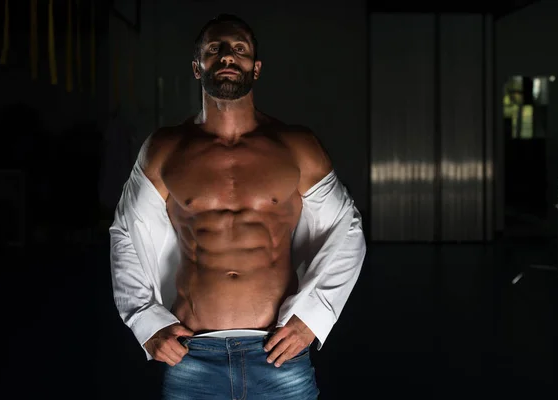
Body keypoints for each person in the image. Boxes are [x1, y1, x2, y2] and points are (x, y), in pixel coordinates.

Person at [109, 13, 366, 400]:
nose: (228, 57)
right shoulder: (165, 148)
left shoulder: (296, 145)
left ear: (255, 68)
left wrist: (313, 320)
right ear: (197, 67)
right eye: (215, 50)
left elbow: (347, 230)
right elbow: (125, 235)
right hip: (192, 354)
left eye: (239, 50)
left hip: (278, 352)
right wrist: (146, 324)